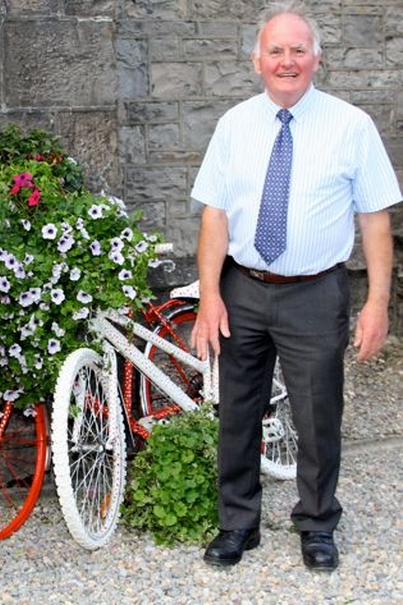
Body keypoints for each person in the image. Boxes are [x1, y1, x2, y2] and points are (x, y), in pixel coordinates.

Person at [190, 0, 401, 572]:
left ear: (317, 59)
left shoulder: (352, 126)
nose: (288, 61)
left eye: (298, 50)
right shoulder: (234, 124)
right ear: (257, 60)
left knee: (317, 413)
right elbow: (214, 215)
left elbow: (375, 218)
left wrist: (377, 301)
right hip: (243, 290)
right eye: (276, 51)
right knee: (237, 411)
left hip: (315, 292)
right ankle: (237, 524)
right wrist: (210, 295)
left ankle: (316, 523)